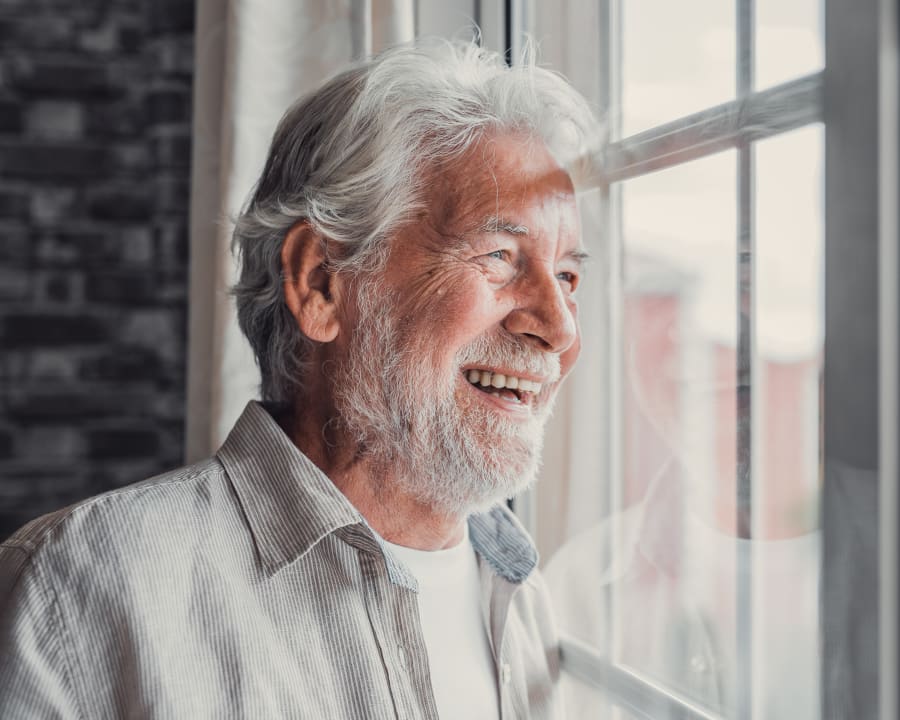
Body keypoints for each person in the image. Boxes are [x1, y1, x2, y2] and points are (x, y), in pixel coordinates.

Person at [0, 38, 597, 719]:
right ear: (320, 282)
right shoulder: (78, 592)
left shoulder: (522, 597)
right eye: (498, 255)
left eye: (570, 276)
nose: (560, 328)